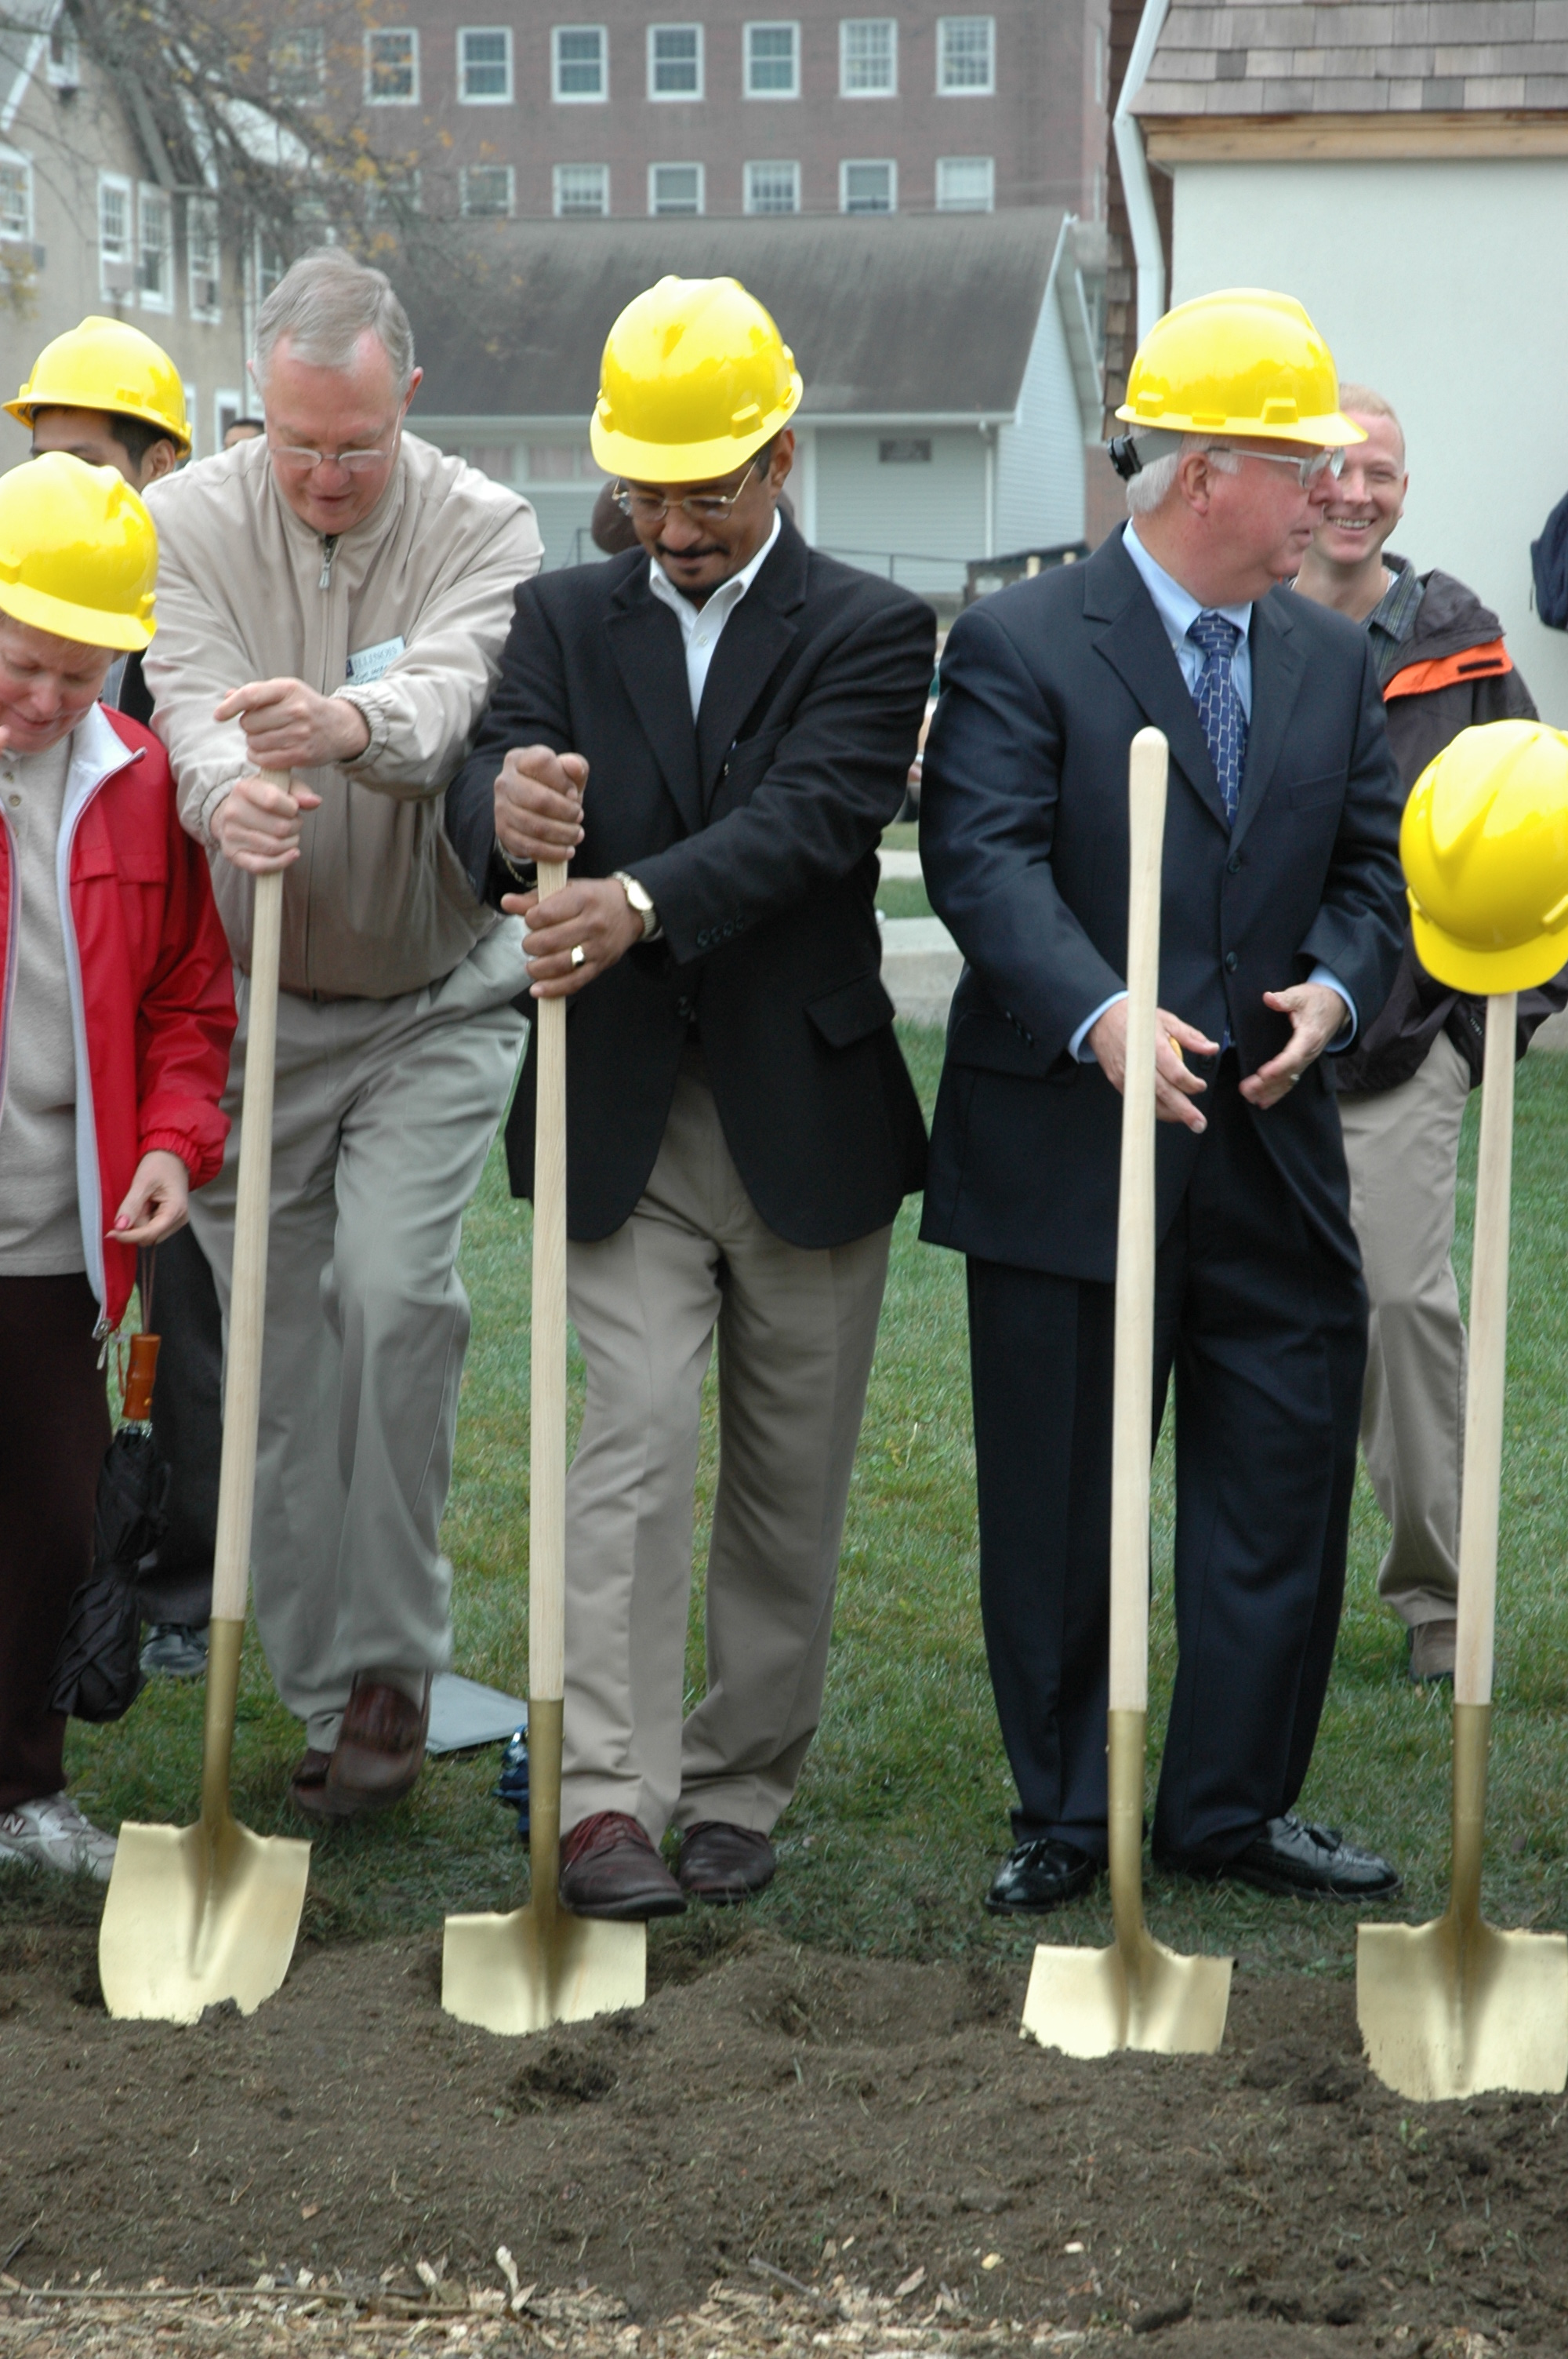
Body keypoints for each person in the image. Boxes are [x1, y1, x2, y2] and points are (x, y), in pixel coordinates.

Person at [447, 274, 933, 1918]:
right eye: (646, 492)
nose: (672, 525)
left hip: (809, 1115)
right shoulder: (560, 616)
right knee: (636, 1440)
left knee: (788, 1483)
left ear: (782, 459)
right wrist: (503, 806)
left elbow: (812, 818)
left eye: (705, 491)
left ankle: (737, 1783)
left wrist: (638, 900)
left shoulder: (872, 629)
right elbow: (490, 777)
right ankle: (606, 1801)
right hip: (618, 1112)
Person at [920, 289, 1409, 1913]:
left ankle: (1229, 1804)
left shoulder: (1333, 658)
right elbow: (980, 861)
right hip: (1068, 1150)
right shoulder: (1020, 643)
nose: (1334, 494)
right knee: (1063, 1498)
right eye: (1302, 467)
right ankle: (1070, 1809)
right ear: (1206, 474)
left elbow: (1370, 872)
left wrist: (1335, 992)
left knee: (1279, 1483)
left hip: (1271, 1150)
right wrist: (1101, 1012)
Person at [143, 249, 543, 1820]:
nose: (324, 476)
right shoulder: (185, 522)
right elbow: (185, 695)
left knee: (395, 1294)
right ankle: (321, 1687)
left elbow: (456, 690)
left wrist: (351, 725)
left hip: (431, 999)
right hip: (251, 1018)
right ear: (259, 407)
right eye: (299, 443)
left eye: (357, 447)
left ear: (408, 402)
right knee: (280, 1364)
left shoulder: (483, 524)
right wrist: (221, 792)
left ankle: (393, 1663)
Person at [1291, 384, 1561, 1688]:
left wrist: (1483, 1033)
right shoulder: (1246, 621)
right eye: (1333, 469)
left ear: (1405, 490)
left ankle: (1438, 1600)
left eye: (1380, 473)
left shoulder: (1461, 642)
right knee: (1270, 1320)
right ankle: (1271, 1589)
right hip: (1251, 1046)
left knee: (1403, 1304)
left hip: (1403, 1045)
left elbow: (1542, 816)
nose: (1354, 494)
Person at [0, 453, 234, 1879]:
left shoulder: (141, 783)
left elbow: (188, 1003)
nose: (43, 702)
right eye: (21, 665)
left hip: (53, 1229)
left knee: (52, 1515)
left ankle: (23, 1790)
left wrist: (165, 1142)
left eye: (77, 678)